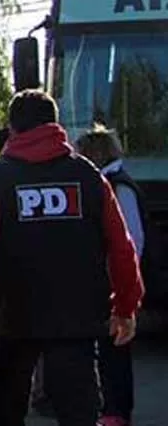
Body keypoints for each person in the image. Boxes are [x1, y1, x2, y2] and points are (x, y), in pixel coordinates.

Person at [0, 91, 143, 426]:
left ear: (13, 128)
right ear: (55, 124)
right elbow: (122, 247)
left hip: (13, 318)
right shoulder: (90, 178)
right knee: (78, 413)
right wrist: (125, 307)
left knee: (5, 411)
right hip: (76, 319)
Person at [76, 124, 146, 426]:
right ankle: (113, 409)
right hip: (108, 281)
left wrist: (121, 283)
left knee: (114, 350)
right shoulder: (113, 184)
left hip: (114, 283)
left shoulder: (118, 187)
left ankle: (117, 411)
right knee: (108, 350)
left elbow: (133, 241)